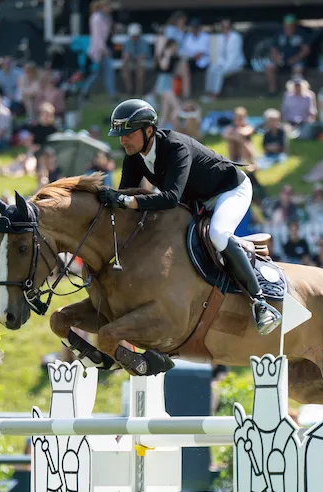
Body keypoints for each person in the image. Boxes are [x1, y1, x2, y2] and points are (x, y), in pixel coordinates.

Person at [99, 99, 281, 334]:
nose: (123, 140)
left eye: (129, 134)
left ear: (149, 130)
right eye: (120, 135)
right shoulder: (133, 157)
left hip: (229, 191)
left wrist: (126, 201)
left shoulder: (175, 147)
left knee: (218, 234)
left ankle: (260, 303)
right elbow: (126, 195)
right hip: (196, 200)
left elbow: (170, 197)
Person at [266, 15, 309, 96]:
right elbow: (273, 49)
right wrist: (277, 57)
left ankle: (295, 92)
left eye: (290, 25)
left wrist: (295, 58)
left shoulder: (301, 34)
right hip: (281, 60)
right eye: (286, 25)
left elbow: (306, 50)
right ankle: (272, 91)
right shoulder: (279, 33)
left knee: (298, 69)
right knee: (270, 67)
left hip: (296, 60)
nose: (288, 27)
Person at [82, 1, 115, 99]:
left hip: (103, 48)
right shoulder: (96, 18)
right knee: (97, 73)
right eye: (108, 5)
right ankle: (85, 92)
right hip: (98, 50)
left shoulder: (106, 18)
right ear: (103, 6)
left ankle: (111, 94)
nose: (110, 8)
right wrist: (103, 49)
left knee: (107, 73)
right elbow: (97, 36)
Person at [206, 19, 244, 99]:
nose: (225, 29)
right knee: (211, 69)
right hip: (222, 63)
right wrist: (217, 64)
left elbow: (233, 56)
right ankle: (208, 93)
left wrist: (224, 67)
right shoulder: (218, 37)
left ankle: (215, 95)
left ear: (231, 27)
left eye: (227, 27)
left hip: (235, 64)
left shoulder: (236, 37)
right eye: (223, 27)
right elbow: (214, 56)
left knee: (219, 72)